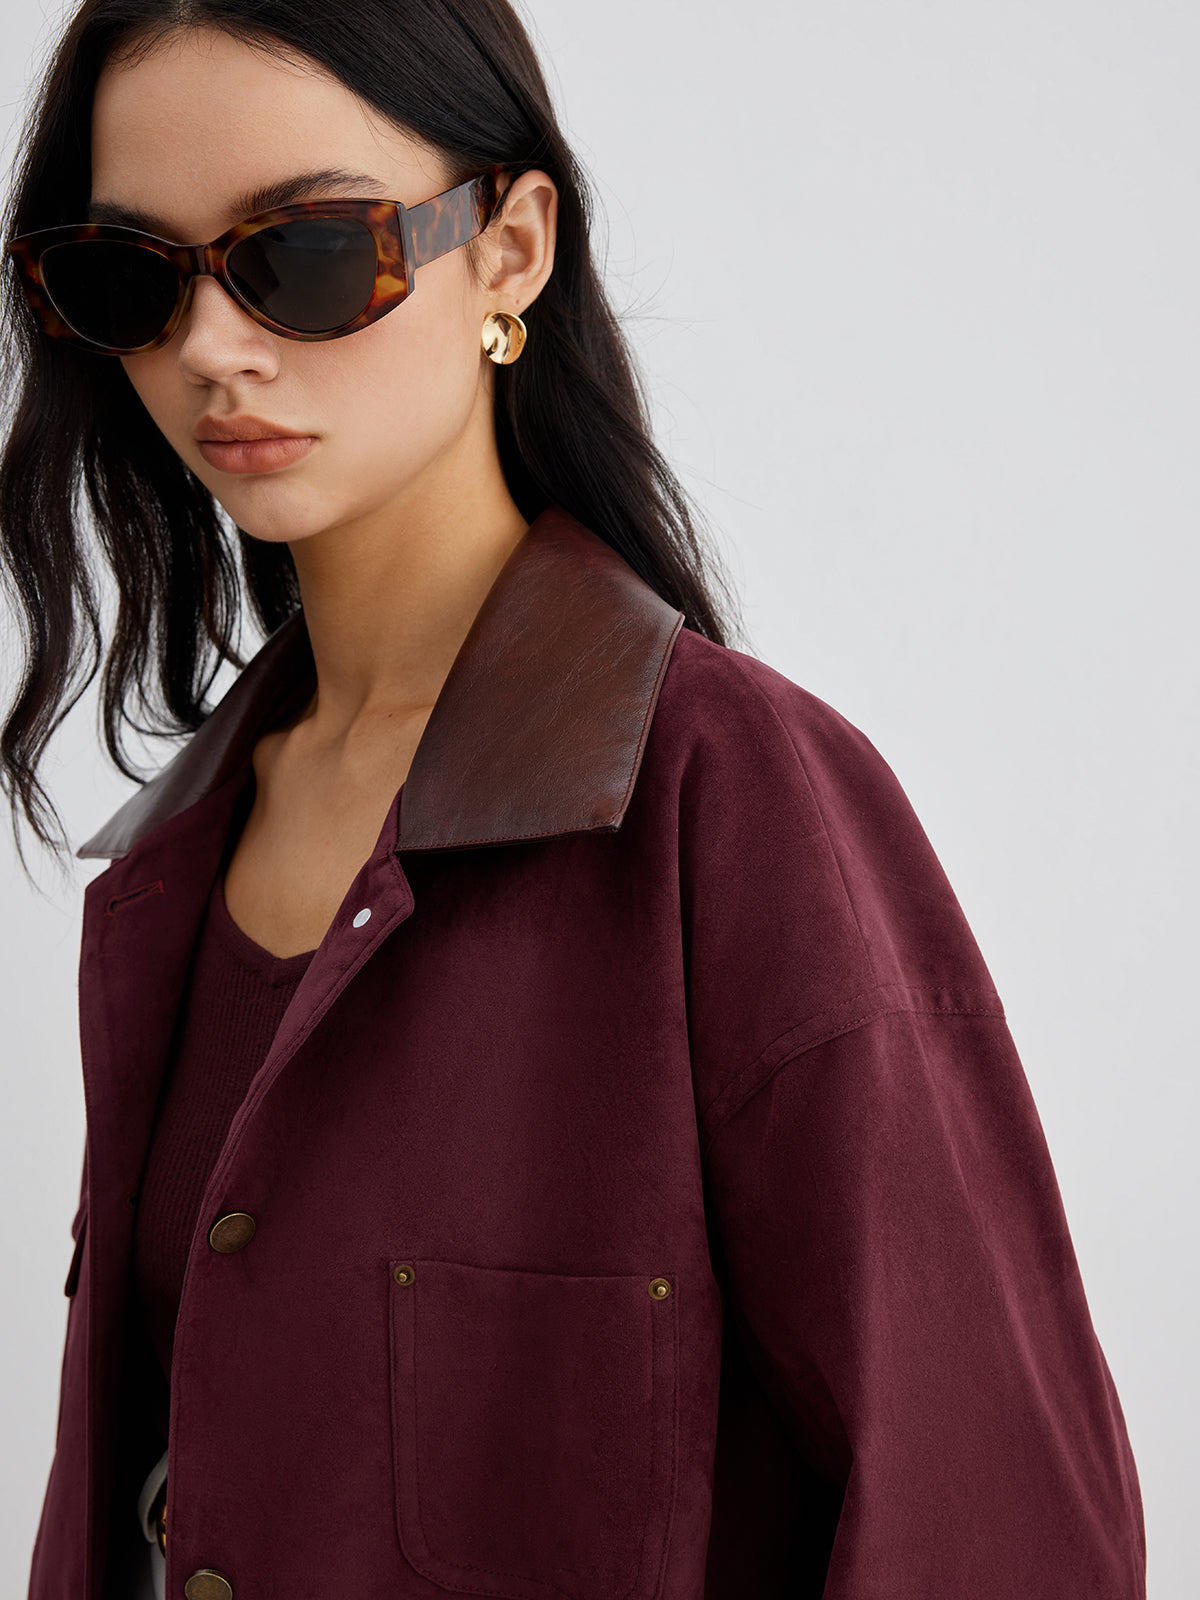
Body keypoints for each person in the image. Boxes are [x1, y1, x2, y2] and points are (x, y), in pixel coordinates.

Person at [0, 3, 1146, 1599]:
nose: (209, 349)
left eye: (307, 256)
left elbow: (997, 1535)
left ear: (511, 249)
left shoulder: (733, 803)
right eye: (133, 279)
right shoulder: (178, 859)